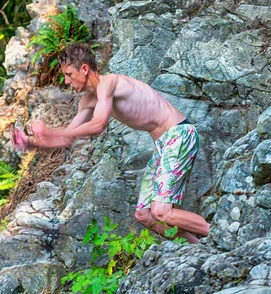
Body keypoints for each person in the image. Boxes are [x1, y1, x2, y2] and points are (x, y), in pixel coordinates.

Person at [11, 43, 210, 243]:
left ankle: (218, 233)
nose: (66, 81)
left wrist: (51, 131)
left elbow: (98, 125)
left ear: (85, 69)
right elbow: (67, 138)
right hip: (164, 146)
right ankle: (198, 246)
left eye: (69, 74)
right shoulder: (86, 101)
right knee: (144, 215)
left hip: (179, 134)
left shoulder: (109, 83)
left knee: (161, 211)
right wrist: (32, 143)